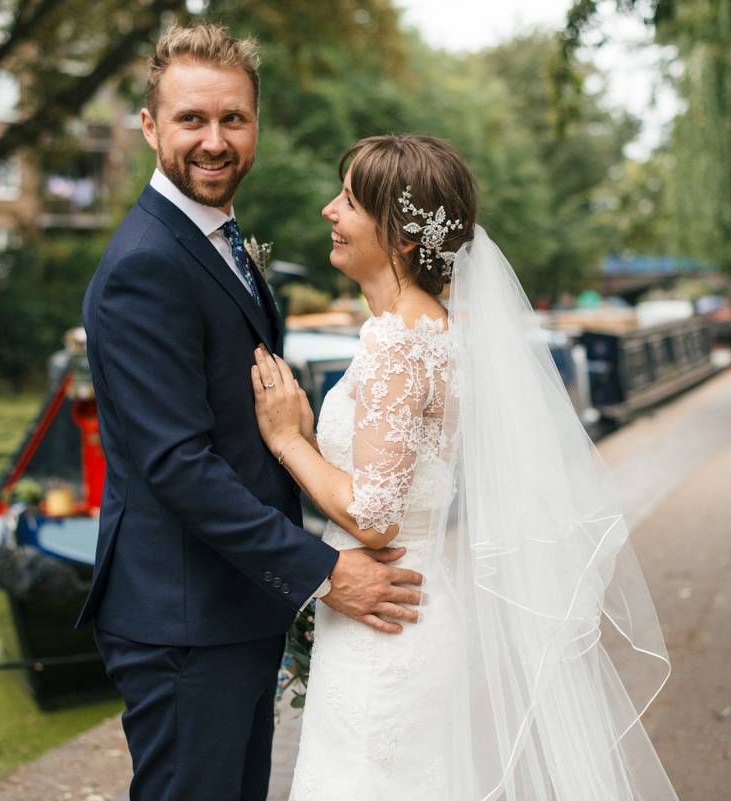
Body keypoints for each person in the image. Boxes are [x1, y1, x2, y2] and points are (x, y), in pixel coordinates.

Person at [252, 134, 680, 800]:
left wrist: (288, 440)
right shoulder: (435, 331)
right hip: (406, 608)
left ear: (397, 235)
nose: (329, 212)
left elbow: (373, 512)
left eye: (348, 200)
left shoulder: (399, 344)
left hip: (386, 624)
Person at [77, 27, 425, 801]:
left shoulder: (216, 241)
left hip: (230, 604)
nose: (214, 140)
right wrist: (324, 571)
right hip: (182, 616)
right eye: (191, 119)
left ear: (256, 125)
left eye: (233, 119)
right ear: (148, 126)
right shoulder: (145, 265)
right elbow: (175, 463)